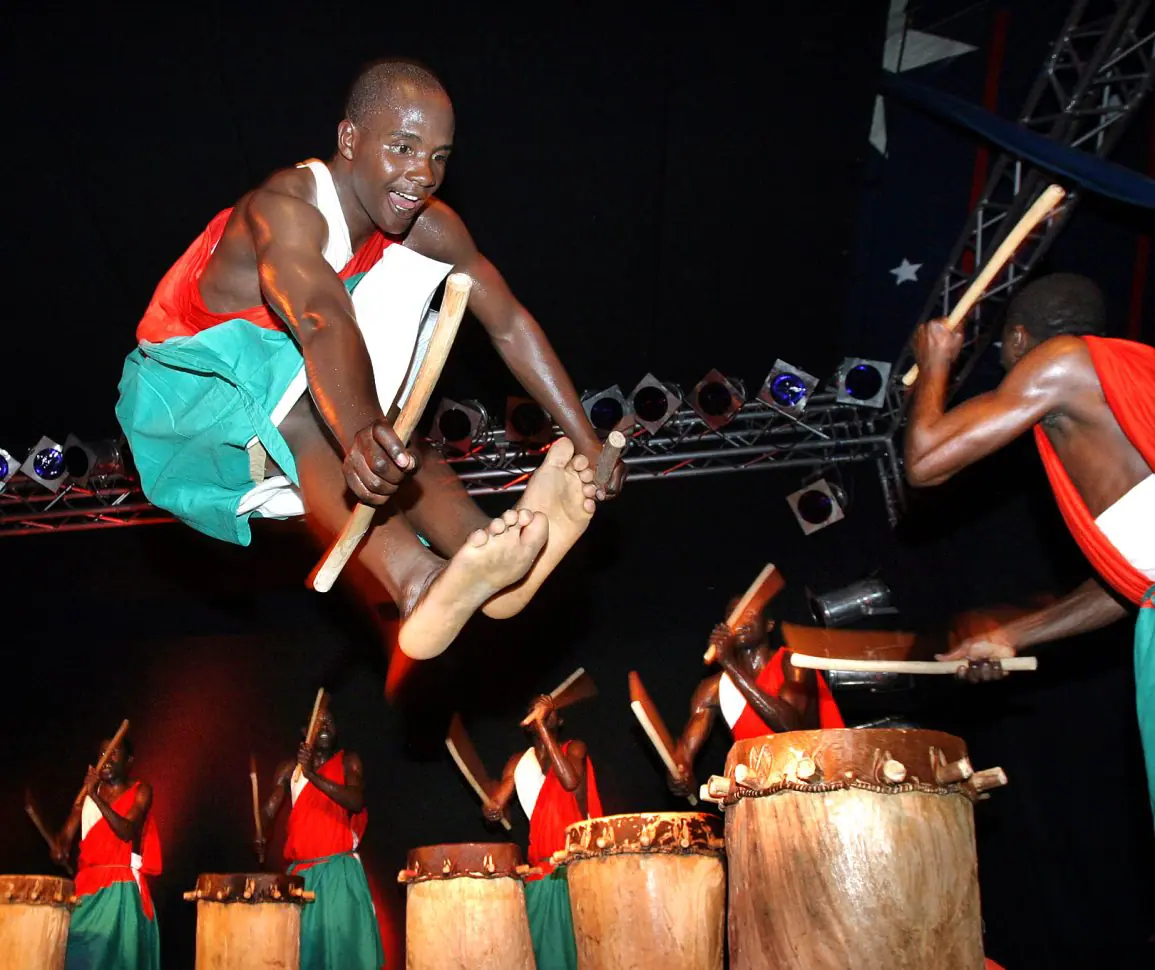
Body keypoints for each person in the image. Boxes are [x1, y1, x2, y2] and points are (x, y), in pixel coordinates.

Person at [116, 58, 621, 661]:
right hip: (190, 404)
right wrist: (358, 431)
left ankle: (482, 554)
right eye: (403, 147)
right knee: (323, 406)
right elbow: (321, 317)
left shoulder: (425, 225)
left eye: (439, 156)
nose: (422, 175)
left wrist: (585, 438)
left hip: (303, 380)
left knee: (402, 437)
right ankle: (416, 579)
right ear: (348, 139)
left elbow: (508, 323)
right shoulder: (283, 209)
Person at [904, 272, 1155, 817]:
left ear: (1018, 341)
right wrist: (1012, 634)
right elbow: (1133, 587)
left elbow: (925, 463)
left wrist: (935, 362)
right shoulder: (1134, 375)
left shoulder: (1061, 359)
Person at [668, 598, 844, 798]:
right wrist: (680, 772)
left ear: (769, 624)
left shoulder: (794, 663)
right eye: (733, 615)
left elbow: (790, 726)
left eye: (749, 614)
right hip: (754, 796)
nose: (740, 621)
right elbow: (684, 752)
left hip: (811, 788)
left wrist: (730, 664)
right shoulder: (713, 688)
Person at [483, 694, 602, 970]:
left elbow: (569, 780)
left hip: (573, 870)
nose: (541, 714)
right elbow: (496, 804)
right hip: (539, 874)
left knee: (580, 955)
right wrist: (491, 809)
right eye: (535, 711)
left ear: (558, 720)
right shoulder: (517, 762)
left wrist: (543, 730)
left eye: (548, 711)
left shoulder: (575, 749)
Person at [260, 709, 383, 970]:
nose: (326, 725)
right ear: (306, 733)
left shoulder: (349, 762)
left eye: (331, 720)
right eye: (319, 721)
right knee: (304, 955)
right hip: (302, 876)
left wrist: (312, 775)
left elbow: (356, 800)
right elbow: (269, 813)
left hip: (339, 873)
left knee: (343, 956)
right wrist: (262, 833)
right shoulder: (288, 769)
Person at [52, 737, 161, 970]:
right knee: (76, 957)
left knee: (117, 960)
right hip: (85, 890)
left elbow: (126, 831)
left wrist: (95, 797)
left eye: (113, 753)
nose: (106, 760)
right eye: (102, 755)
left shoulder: (141, 791)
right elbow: (64, 839)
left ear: (129, 761)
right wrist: (58, 848)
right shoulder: (85, 798)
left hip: (121, 889)